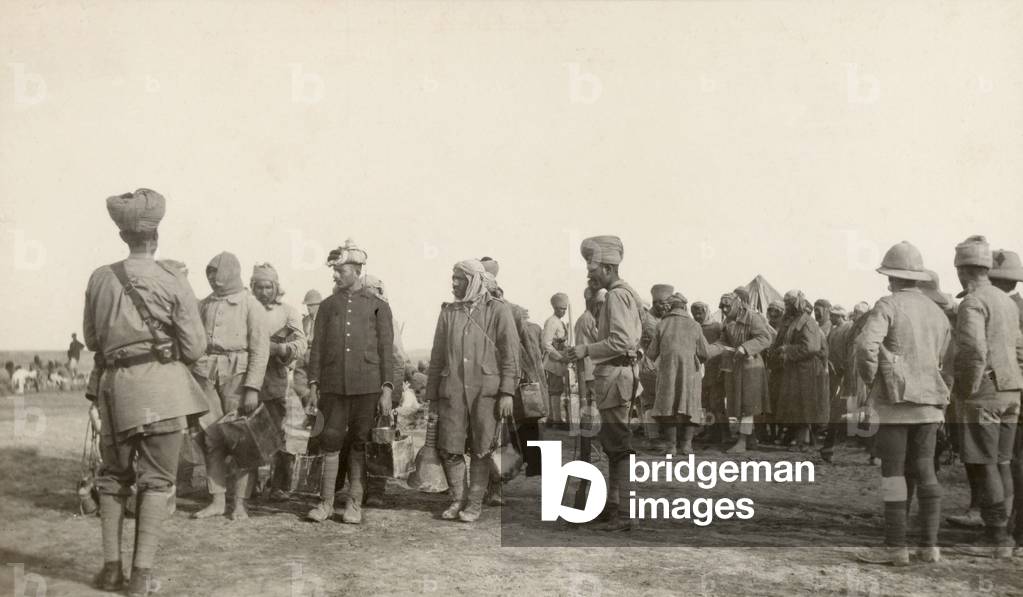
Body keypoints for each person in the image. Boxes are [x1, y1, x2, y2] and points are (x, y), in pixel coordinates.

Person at [84, 188, 208, 595]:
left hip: (116, 393)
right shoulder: (172, 279)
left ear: (123, 236)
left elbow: (92, 339)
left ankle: (110, 570)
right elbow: (195, 348)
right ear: (156, 237)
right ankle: (140, 578)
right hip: (163, 392)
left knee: (113, 480)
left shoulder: (100, 278)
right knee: (156, 483)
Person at [853, 241, 951, 565]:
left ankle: (896, 547)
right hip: (930, 404)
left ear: (891, 277)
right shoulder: (938, 312)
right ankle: (930, 546)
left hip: (895, 405)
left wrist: (871, 380)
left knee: (894, 475)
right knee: (925, 471)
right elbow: (948, 360)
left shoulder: (888, 304)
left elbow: (866, 346)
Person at [305, 239, 395, 525]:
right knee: (330, 441)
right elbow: (317, 347)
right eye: (334, 270)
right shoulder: (328, 306)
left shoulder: (378, 306)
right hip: (332, 386)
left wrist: (387, 389)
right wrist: (313, 384)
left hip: (367, 387)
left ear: (356, 270)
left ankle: (354, 504)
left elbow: (386, 351)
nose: (335, 275)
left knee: (359, 443)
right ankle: (326, 502)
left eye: (340, 270)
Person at [425, 259, 517, 522]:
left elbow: (510, 356)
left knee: (482, 449)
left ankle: (474, 503)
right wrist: (432, 396)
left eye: (459, 278)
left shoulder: (498, 311)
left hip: (486, 393)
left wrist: (507, 392)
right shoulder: (449, 313)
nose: (453, 283)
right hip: (451, 390)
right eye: (453, 277)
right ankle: (457, 499)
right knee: (450, 447)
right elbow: (436, 358)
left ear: (474, 280)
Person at [564, 235, 643, 532]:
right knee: (614, 445)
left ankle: (626, 514)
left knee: (620, 447)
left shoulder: (617, 296)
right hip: (615, 377)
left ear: (608, 269)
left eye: (592, 269)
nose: (589, 274)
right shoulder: (625, 294)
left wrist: (586, 350)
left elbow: (622, 341)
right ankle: (615, 508)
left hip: (615, 378)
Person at [950, 237, 1023, 559]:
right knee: (1003, 462)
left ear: (962, 269)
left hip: (985, 391)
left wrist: (967, 389)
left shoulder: (973, 301)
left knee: (986, 465)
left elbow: (974, 351)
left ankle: (996, 539)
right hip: (1011, 389)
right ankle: (1003, 532)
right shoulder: (1006, 301)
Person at [191, 251, 270, 521]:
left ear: (231, 273)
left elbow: (261, 350)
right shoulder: (204, 305)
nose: (213, 279)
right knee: (212, 437)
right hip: (206, 374)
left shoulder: (251, 305)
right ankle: (216, 500)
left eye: (217, 273)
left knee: (242, 440)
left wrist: (252, 388)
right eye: (209, 273)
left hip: (239, 375)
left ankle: (240, 503)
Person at [250, 263, 307, 502]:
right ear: (252, 287)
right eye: (259, 287)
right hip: (246, 383)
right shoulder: (246, 308)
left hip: (275, 381)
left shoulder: (288, 312)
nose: (264, 292)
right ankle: (250, 485)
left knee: (278, 433)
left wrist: (280, 348)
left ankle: (279, 485)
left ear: (276, 287)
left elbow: (301, 344)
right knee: (248, 433)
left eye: (268, 286)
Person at [986, 249, 1023, 551]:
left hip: (1004, 390)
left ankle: (1005, 530)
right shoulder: (1015, 307)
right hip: (1016, 392)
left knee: (1003, 462)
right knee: (1009, 462)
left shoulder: (994, 308)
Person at [708, 291, 773, 453]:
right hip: (735, 368)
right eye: (721, 307)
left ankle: (742, 442)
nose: (723, 309)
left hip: (751, 368)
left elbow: (765, 338)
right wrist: (711, 349)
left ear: (737, 304)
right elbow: (723, 340)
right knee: (739, 403)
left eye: (727, 306)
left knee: (748, 404)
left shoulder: (753, 317)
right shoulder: (728, 320)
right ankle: (751, 440)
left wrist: (746, 347)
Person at [646, 291, 708, 455]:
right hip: (690, 374)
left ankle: (671, 446)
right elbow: (704, 352)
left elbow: (651, 353)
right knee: (690, 407)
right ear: (685, 307)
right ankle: (687, 445)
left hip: (668, 372)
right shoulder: (695, 325)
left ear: (670, 307)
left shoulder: (662, 324)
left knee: (668, 408)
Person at [773, 290, 827, 449]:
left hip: (806, 370)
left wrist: (787, 350)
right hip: (795, 368)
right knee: (794, 404)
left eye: (789, 303)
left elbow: (811, 347)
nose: (787, 306)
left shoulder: (807, 322)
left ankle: (803, 441)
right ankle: (797, 438)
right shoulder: (794, 321)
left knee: (804, 404)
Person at [693, 301, 726, 444]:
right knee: (706, 403)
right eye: (695, 314)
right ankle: (710, 431)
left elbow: (723, 346)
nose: (698, 316)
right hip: (702, 370)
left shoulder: (717, 327)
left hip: (716, 369)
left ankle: (724, 433)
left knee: (716, 403)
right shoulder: (695, 328)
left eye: (700, 313)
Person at [542, 292, 571, 429]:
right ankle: (556, 420)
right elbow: (546, 344)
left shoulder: (560, 322)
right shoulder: (551, 322)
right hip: (554, 361)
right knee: (555, 390)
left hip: (560, 360)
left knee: (557, 390)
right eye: (561, 308)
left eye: (565, 308)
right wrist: (560, 357)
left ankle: (552, 418)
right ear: (554, 308)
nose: (563, 311)